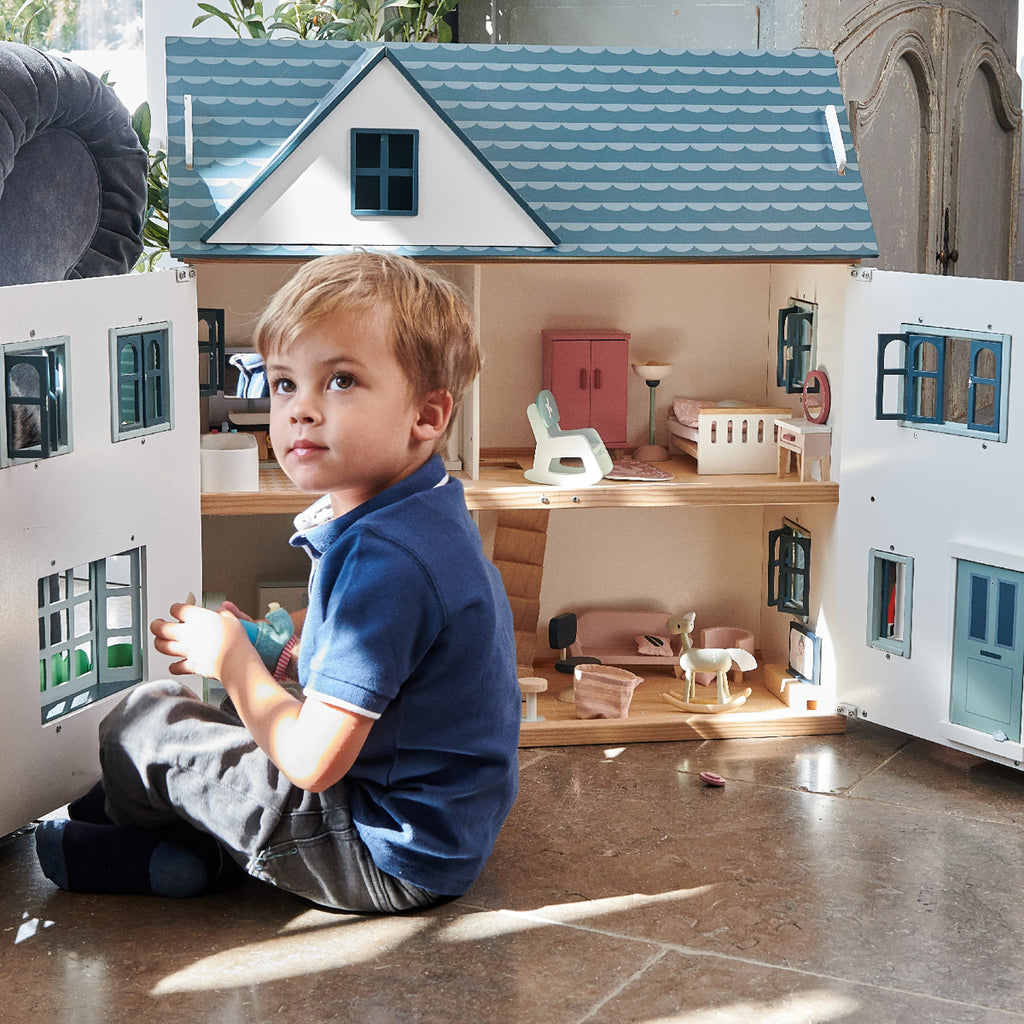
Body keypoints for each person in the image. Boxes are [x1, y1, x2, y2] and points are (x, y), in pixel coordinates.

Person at [35, 251, 522, 912]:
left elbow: (314, 763)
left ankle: (123, 845)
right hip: (438, 833)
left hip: (379, 853)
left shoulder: (391, 562)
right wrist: (271, 649)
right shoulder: (422, 513)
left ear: (427, 417)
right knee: (215, 718)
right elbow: (382, 668)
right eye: (284, 383)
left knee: (141, 719)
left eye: (341, 381)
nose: (300, 410)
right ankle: (181, 846)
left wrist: (234, 660)